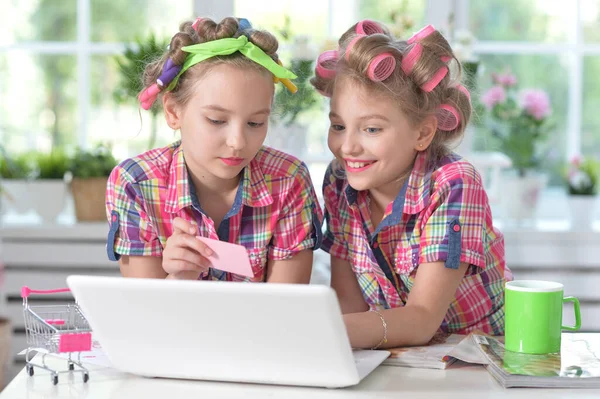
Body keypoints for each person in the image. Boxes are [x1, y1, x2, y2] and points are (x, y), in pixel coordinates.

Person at [311, 21, 512, 349]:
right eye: (338, 125)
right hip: (400, 355)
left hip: (478, 358)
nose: (347, 147)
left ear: (422, 133)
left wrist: (322, 331)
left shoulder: (454, 184)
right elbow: (348, 304)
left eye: (371, 129)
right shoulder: (339, 180)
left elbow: (420, 319)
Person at [105, 17, 322, 283]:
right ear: (173, 112)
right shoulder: (135, 183)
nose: (238, 142)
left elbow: (288, 311)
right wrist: (178, 278)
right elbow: (144, 318)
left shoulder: (288, 180)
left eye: (255, 123)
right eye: (216, 121)